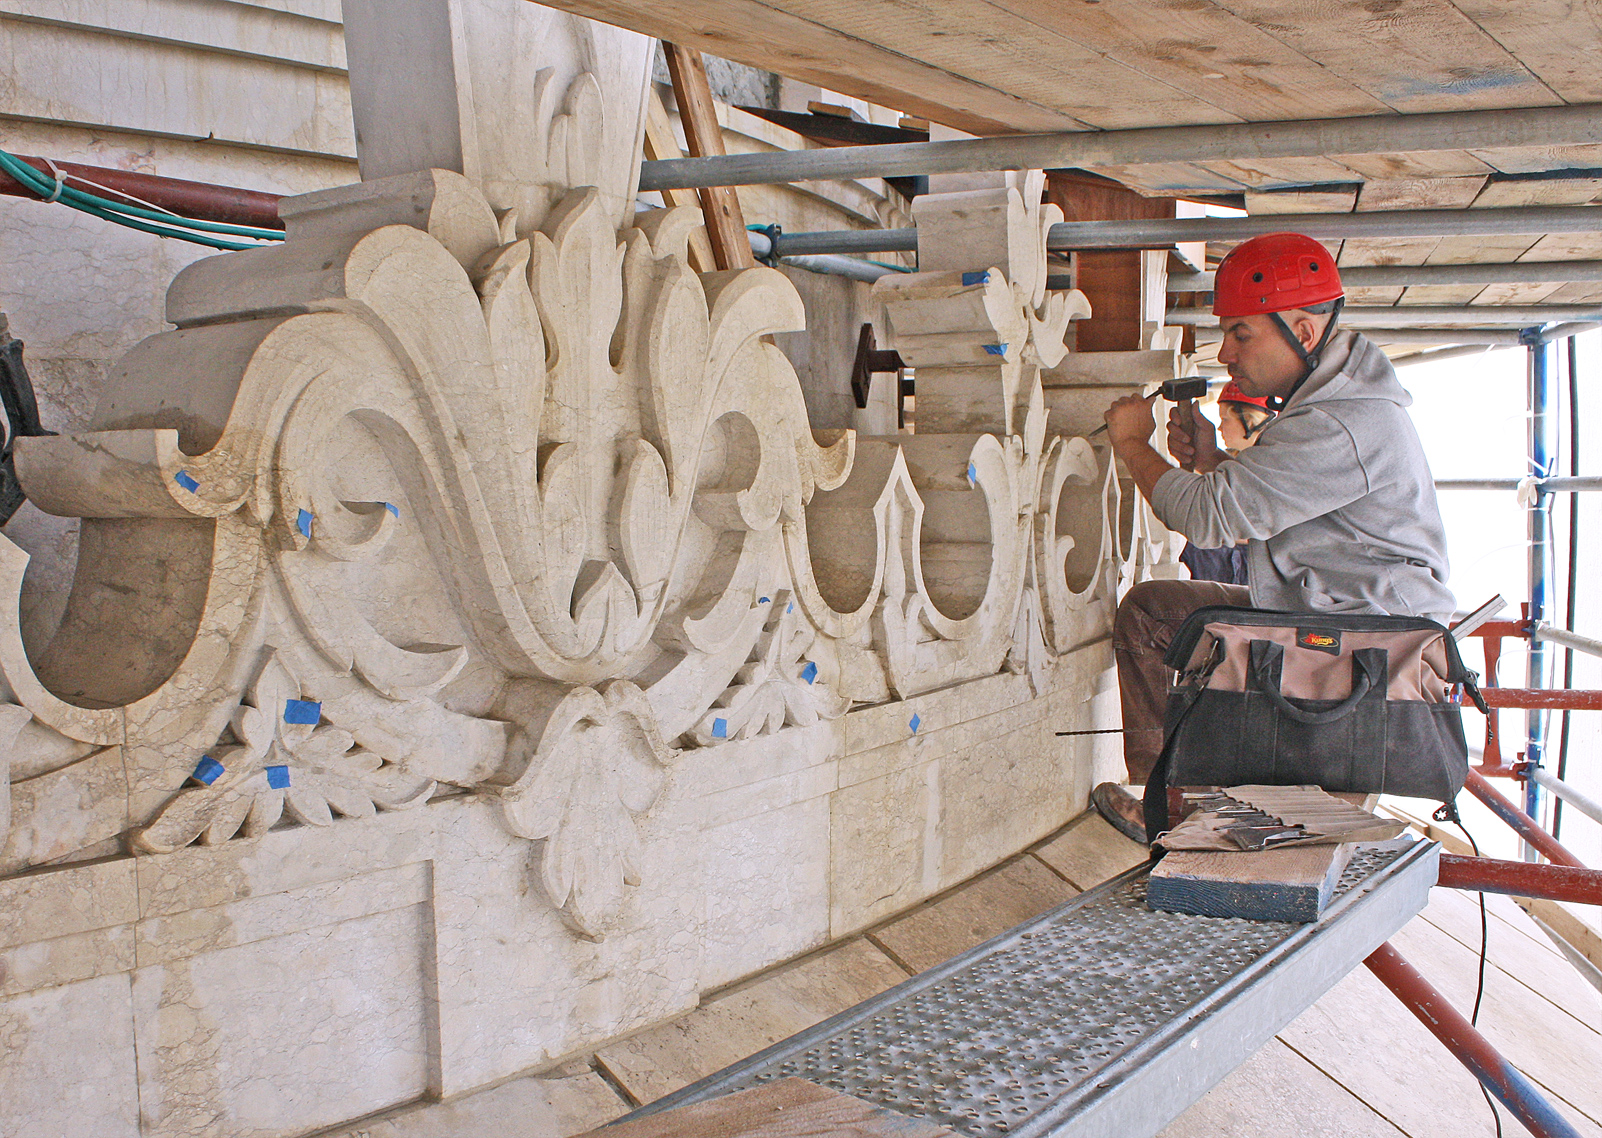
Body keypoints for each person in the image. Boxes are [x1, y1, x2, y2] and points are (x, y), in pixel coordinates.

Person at [1091, 232, 1455, 841]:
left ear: (1304, 333)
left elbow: (1206, 516)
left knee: (1155, 618)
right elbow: (1278, 506)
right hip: (1338, 608)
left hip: (1364, 636)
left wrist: (1132, 443)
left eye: (1241, 332)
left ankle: (1175, 813)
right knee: (1157, 611)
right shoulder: (1334, 403)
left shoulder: (1342, 421)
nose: (1227, 353)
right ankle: (1180, 804)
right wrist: (1211, 460)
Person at [1175, 380, 1275, 585]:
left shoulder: (1275, 465)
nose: (1219, 427)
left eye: (1225, 419)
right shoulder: (1236, 465)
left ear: (1250, 420)